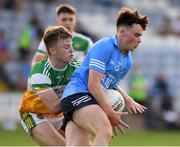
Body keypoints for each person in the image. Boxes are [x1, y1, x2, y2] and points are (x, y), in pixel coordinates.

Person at [61, 7, 148, 146]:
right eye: (137, 35)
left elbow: (109, 83)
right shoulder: (104, 46)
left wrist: (127, 98)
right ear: (122, 32)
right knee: (105, 130)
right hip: (78, 94)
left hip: (90, 100)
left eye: (140, 36)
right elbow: (93, 84)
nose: (140, 40)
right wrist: (109, 112)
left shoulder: (128, 61)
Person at [18, 25, 81, 146]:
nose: (72, 50)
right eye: (66, 47)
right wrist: (79, 95)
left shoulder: (77, 66)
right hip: (34, 113)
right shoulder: (40, 71)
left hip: (60, 115)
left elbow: (98, 81)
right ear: (52, 50)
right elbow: (54, 107)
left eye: (71, 45)